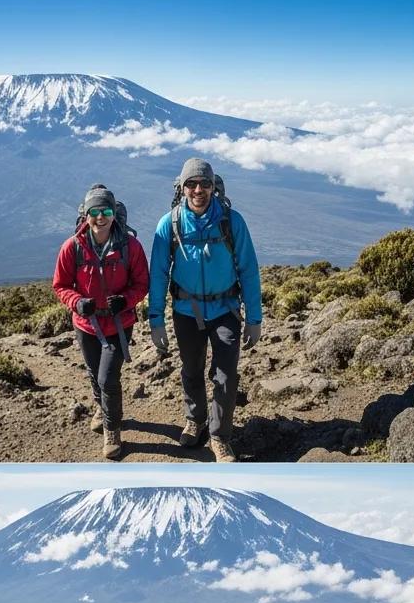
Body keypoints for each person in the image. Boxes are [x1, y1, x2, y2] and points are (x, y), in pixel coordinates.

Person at [147, 158, 262, 462]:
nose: (198, 189)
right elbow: (158, 274)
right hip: (186, 311)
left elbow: (249, 270)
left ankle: (219, 435)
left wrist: (254, 319)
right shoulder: (168, 224)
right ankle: (195, 419)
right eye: (191, 184)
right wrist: (155, 320)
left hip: (225, 309)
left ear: (214, 186)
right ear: (181, 187)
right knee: (192, 370)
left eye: (205, 183)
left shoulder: (231, 221)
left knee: (226, 375)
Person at [53, 185, 149, 460]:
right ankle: (101, 407)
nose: (100, 217)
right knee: (95, 374)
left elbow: (142, 282)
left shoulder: (130, 246)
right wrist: (76, 302)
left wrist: (126, 300)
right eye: (94, 212)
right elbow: (60, 285)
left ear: (114, 213)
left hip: (119, 324)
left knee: (108, 378)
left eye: (106, 210)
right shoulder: (72, 247)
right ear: (86, 215)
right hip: (86, 325)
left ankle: (112, 430)